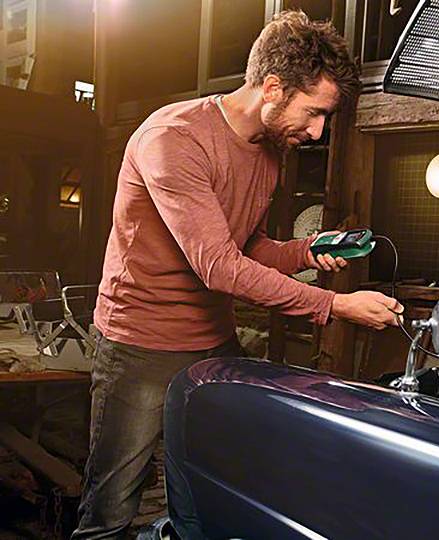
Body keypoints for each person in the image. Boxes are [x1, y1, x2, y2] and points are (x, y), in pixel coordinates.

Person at [71, 11, 401, 539]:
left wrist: (307, 250)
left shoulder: (269, 151)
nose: (317, 131)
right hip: (141, 347)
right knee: (110, 513)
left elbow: (247, 247)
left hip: (213, 344)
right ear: (271, 88)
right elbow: (219, 266)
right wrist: (335, 306)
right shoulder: (174, 139)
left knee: (214, 497)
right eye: (314, 112)